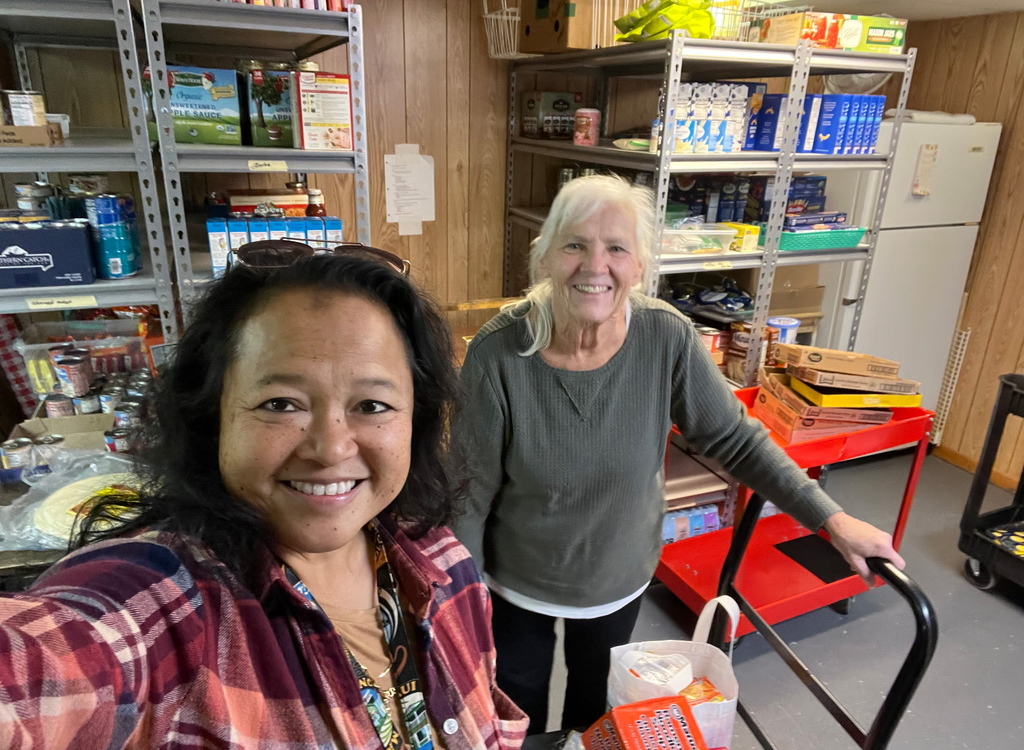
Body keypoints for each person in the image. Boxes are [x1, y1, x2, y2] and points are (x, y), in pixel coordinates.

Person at [0, 249, 527, 749]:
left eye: (372, 405)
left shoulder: (443, 563)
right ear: (213, 414)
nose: (331, 448)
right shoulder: (162, 608)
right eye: (280, 403)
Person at [452, 175, 905, 735]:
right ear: (544, 256)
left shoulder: (665, 337)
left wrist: (831, 520)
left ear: (640, 266)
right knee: (514, 712)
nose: (596, 266)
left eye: (617, 248)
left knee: (597, 716)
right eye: (574, 244)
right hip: (515, 583)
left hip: (618, 577)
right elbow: (469, 493)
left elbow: (735, 439)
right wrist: (462, 606)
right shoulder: (500, 352)